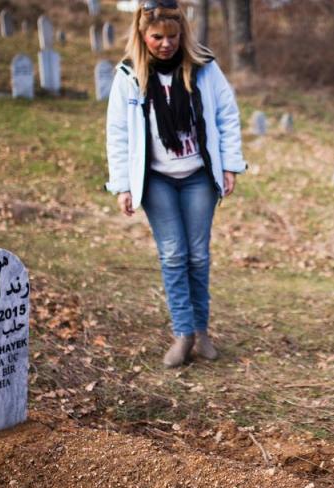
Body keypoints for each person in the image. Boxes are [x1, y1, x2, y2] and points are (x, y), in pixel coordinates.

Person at [105, 0, 246, 368]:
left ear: (182, 33)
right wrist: (122, 185)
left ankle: (201, 332)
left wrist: (230, 165)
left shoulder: (204, 69)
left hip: (198, 176)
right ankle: (182, 334)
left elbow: (227, 115)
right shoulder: (128, 76)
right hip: (157, 181)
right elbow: (118, 133)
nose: (165, 44)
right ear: (142, 34)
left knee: (198, 255)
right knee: (172, 254)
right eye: (157, 37)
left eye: (172, 36)